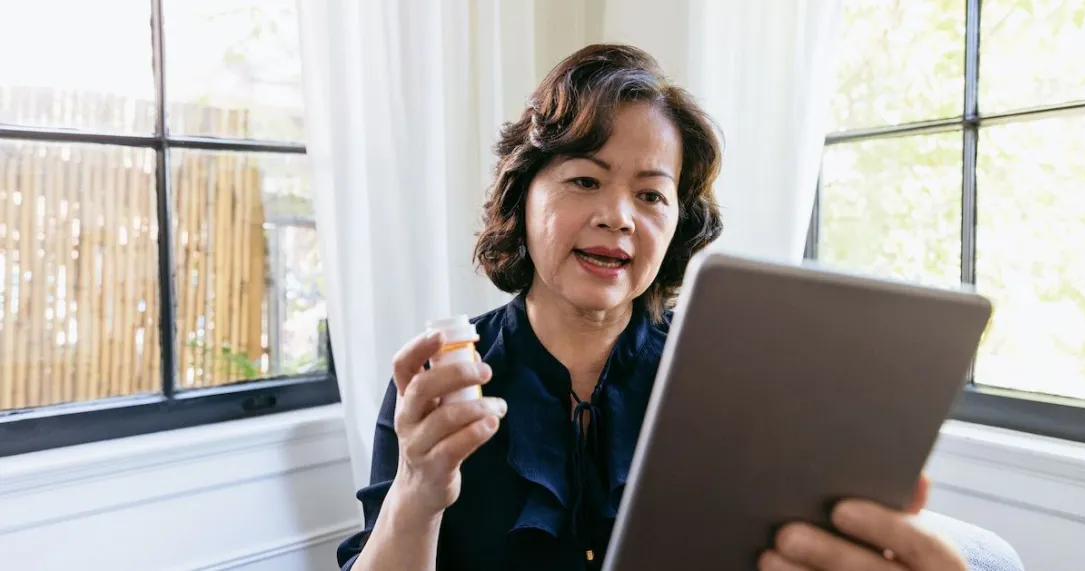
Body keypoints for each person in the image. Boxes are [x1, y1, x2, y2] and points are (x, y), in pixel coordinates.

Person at [336, 43, 969, 571]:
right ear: (522, 197)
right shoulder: (443, 385)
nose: (618, 217)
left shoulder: (723, 381)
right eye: (585, 180)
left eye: (651, 195)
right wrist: (418, 492)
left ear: (677, 226)